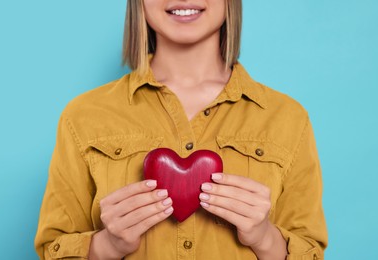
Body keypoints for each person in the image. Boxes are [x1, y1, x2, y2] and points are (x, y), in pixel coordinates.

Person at [35, 0, 328, 259]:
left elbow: (311, 251)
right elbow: (53, 249)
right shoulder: (83, 116)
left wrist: (264, 238)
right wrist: (107, 246)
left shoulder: (288, 118)